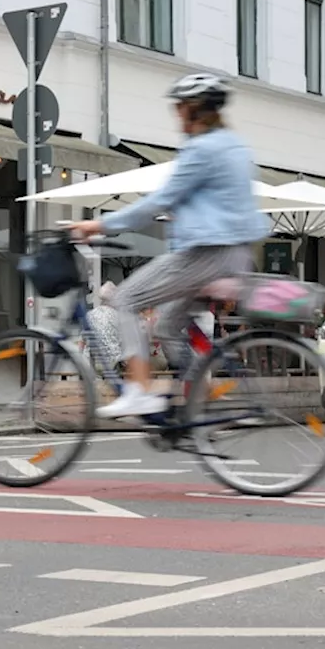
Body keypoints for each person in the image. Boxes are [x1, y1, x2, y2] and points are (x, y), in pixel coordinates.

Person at [66, 73, 270, 418]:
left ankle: (138, 391)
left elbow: (158, 201)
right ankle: (198, 395)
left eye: (180, 109)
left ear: (194, 110)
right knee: (166, 327)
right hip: (235, 254)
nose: (177, 116)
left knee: (126, 299)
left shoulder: (202, 149)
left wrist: (99, 224)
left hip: (206, 254)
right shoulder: (236, 147)